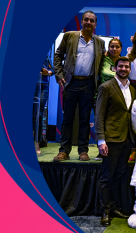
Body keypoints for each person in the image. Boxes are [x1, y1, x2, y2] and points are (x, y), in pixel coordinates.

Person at [53, 10, 105, 162]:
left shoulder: (100, 42)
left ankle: (83, 151)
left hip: (89, 84)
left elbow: (103, 64)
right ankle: (64, 151)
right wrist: (59, 75)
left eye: (92, 20)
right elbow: (57, 56)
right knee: (67, 119)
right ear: (82, 21)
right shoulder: (69, 36)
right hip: (71, 82)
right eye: (86, 19)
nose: (89, 22)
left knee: (84, 120)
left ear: (95, 24)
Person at [95, 57, 136, 227]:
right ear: (115, 68)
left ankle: (113, 207)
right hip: (111, 139)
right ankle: (104, 211)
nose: (124, 69)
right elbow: (99, 116)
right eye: (121, 66)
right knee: (107, 177)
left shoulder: (133, 90)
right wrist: (101, 140)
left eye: (127, 67)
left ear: (129, 69)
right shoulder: (106, 87)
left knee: (119, 176)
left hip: (127, 140)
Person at [93, 38, 136, 161]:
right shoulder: (102, 59)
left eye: (117, 47)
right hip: (103, 94)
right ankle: (102, 148)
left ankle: (117, 147)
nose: (114, 49)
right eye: (112, 46)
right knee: (101, 119)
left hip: (118, 96)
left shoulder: (123, 61)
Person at [33, 55, 54, 154]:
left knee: (39, 115)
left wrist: (48, 72)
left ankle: (37, 144)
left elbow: (52, 69)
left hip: (43, 86)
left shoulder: (47, 53)